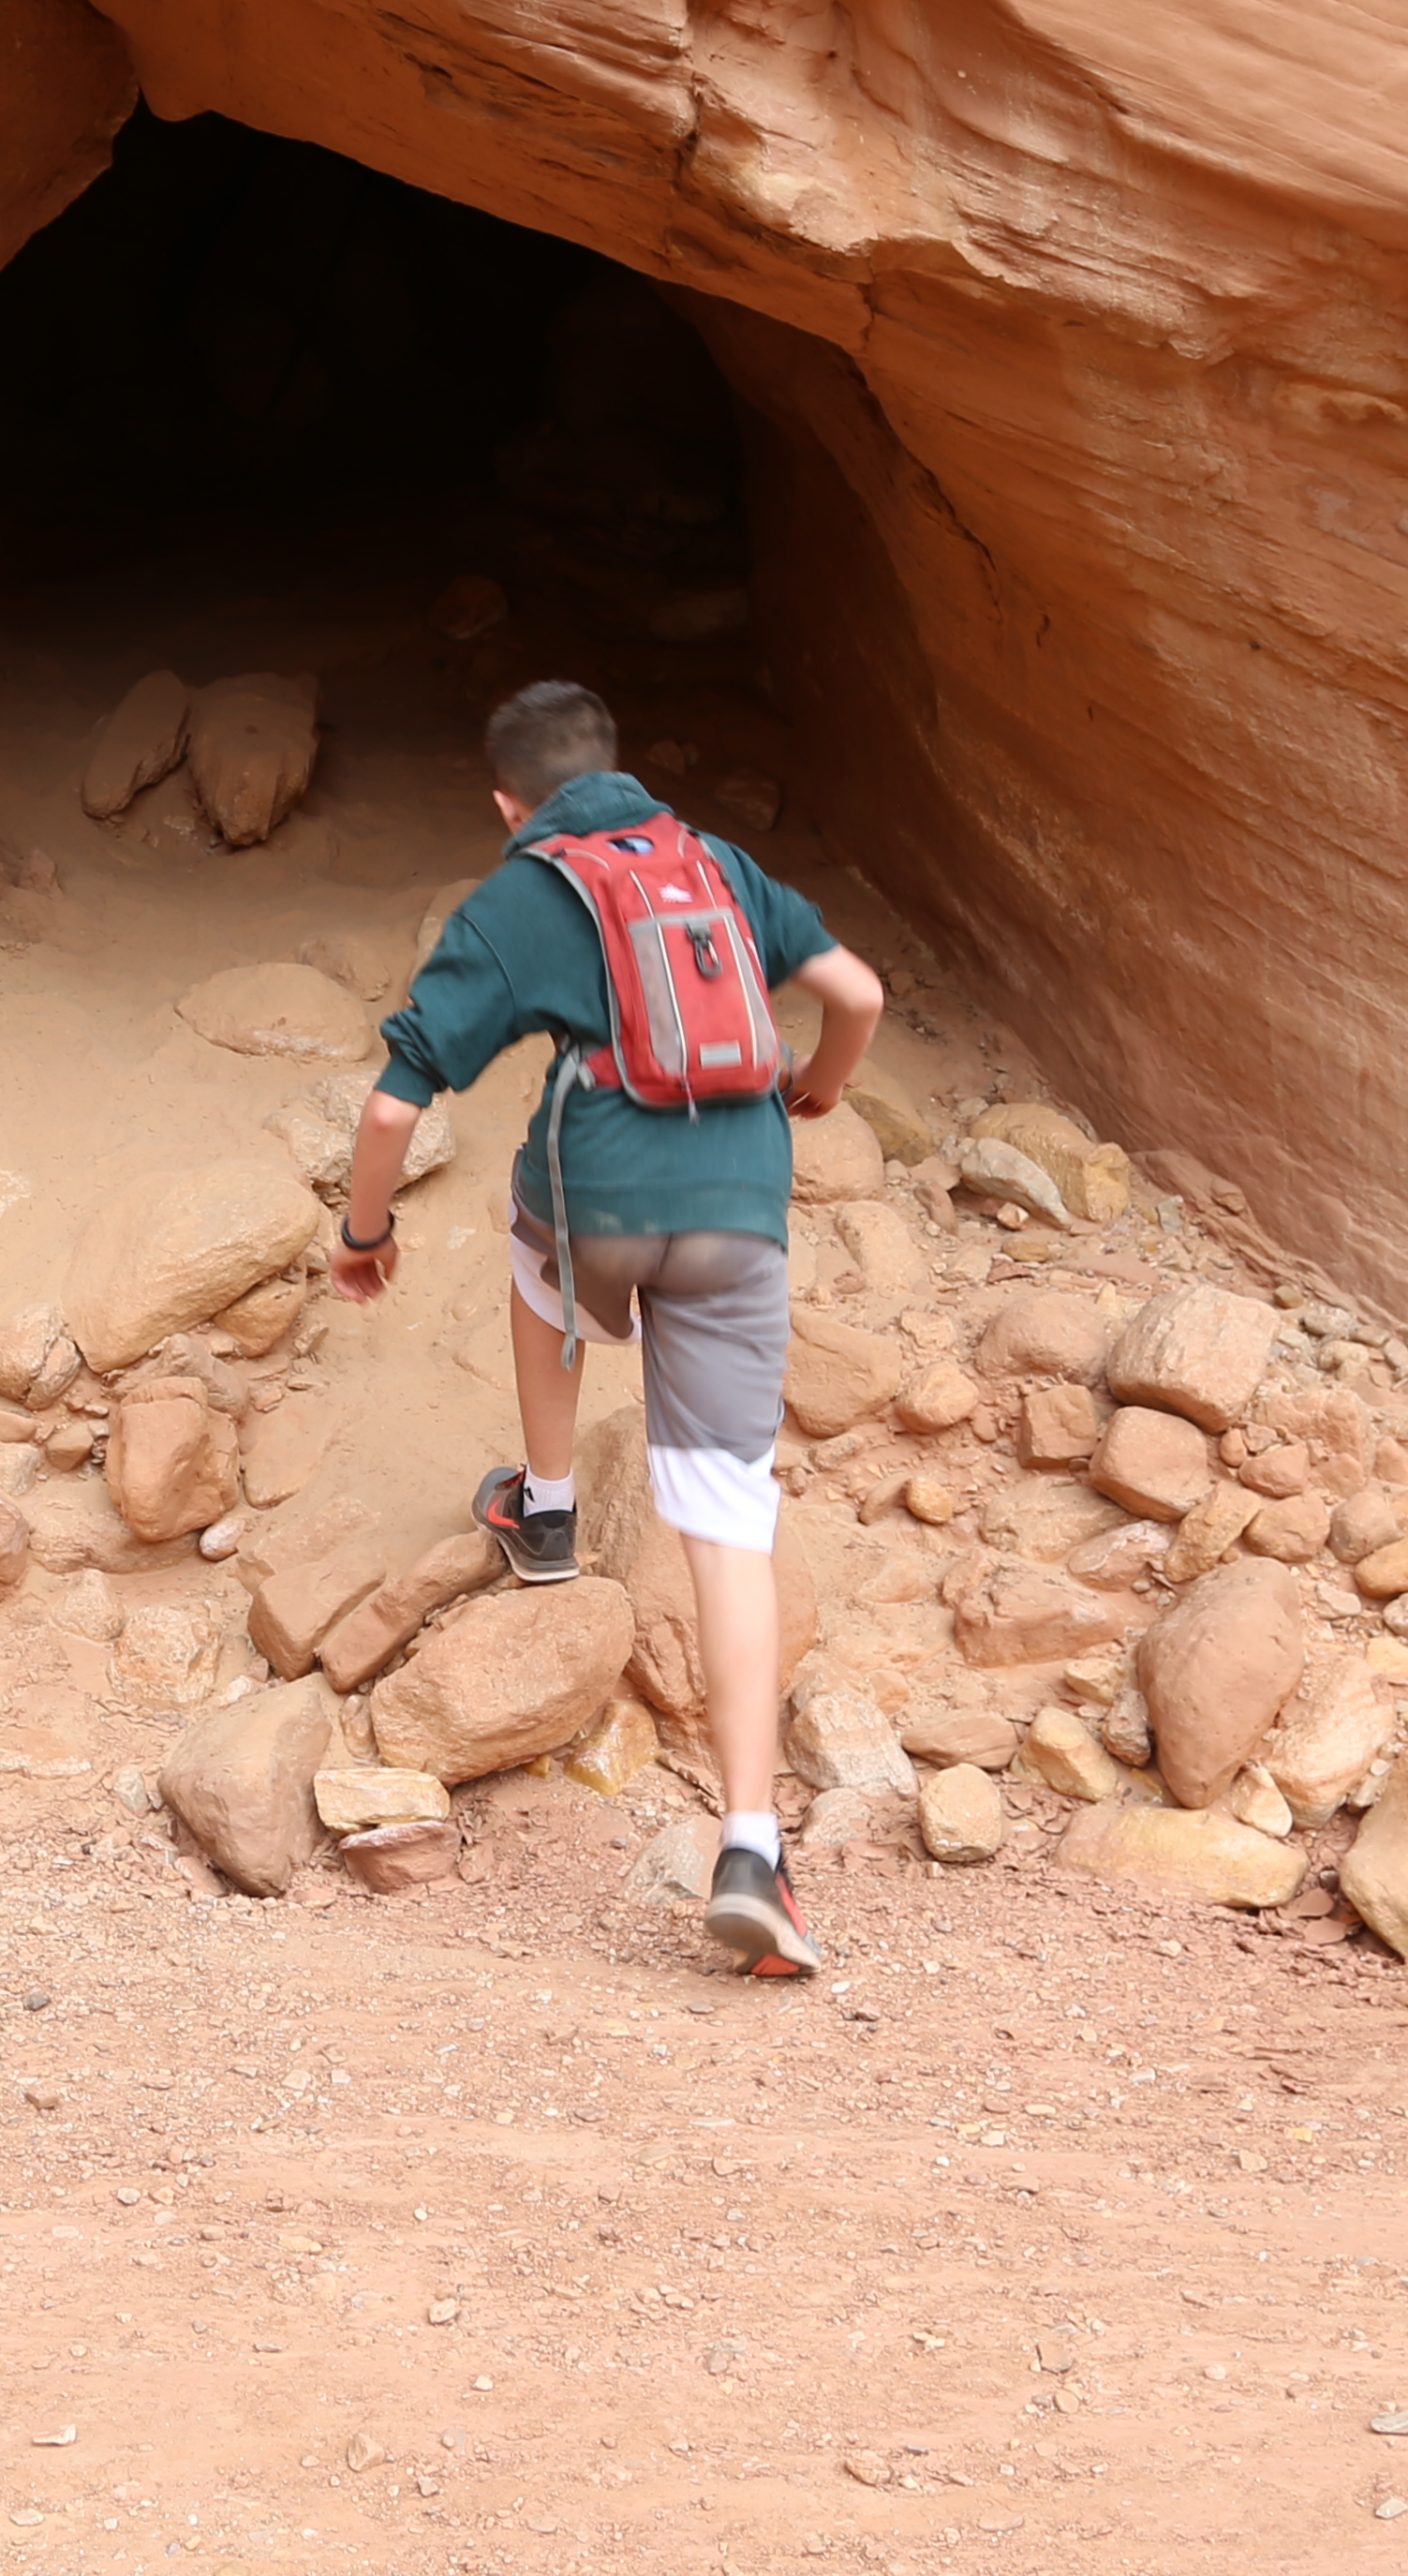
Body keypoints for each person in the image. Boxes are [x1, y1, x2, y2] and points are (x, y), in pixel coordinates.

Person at [328, 679, 884, 1977]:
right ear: (620, 773)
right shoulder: (720, 865)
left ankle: (551, 1506)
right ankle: (753, 1849)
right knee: (727, 1521)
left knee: (537, 1259)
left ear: (508, 803)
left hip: (597, 1211)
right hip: (739, 1215)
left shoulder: (526, 894)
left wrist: (365, 1237)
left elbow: (397, 1108)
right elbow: (853, 990)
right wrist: (817, 1088)